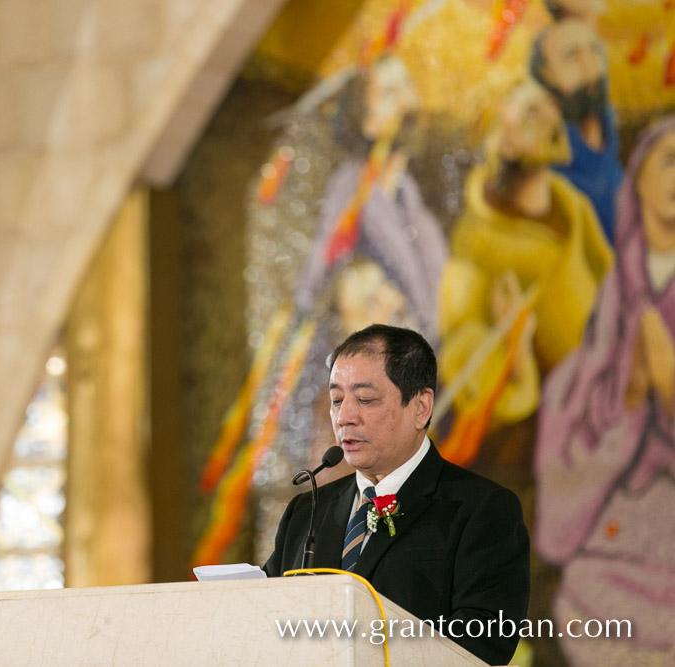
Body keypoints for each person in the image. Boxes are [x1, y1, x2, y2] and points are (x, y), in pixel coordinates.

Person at [263, 324, 530, 666]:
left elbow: (486, 643)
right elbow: (268, 618)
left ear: (421, 407)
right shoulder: (307, 509)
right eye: (336, 400)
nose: (345, 417)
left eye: (366, 399)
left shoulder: (483, 509)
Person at [534, 116, 675, 666]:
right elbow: (590, 383)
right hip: (615, 495)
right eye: (667, 161)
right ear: (637, 179)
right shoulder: (618, 285)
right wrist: (625, 400)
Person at [439, 79, 613, 430]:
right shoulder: (476, 241)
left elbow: (610, 275)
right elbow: (465, 365)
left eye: (549, 105)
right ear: (504, 143)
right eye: (533, 112)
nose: (553, 117)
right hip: (568, 418)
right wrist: (517, 348)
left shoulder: (570, 202)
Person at [293, 55, 448, 346]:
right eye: (390, 93)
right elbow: (312, 293)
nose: (407, 103)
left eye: (407, 85)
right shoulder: (351, 192)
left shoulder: (408, 194)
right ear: (366, 123)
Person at [530, 18, 623, 244]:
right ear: (546, 76)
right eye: (572, 56)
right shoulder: (549, 173)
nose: (590, 67)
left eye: (595, 52)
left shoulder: (614, 142)